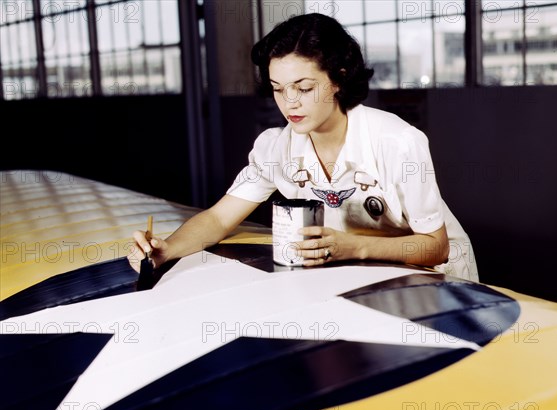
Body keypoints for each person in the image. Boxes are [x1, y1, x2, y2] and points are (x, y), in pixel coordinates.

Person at [129, 13, 478, 282]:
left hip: (439, 275)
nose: (290, 103)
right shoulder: (276, 148)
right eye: (278, 88)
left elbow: (436, 245)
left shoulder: (396, 141)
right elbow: (220, 217)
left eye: (304, 87)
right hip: (358, 269)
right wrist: (165, 250)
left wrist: (353, 246)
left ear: (339, 78)